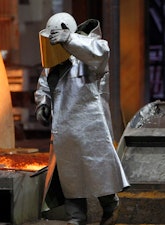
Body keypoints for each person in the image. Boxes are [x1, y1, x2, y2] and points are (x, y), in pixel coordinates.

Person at [34, 12, 130, 225]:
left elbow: (101, 51)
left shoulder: (88, 53)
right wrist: (43, 104)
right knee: (69, 175)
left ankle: (110, 206)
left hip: (90, 125)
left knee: (96, 167)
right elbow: (43, 85)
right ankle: (76, 219)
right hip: (64, 129)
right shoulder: (53, 63)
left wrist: (69, 40)